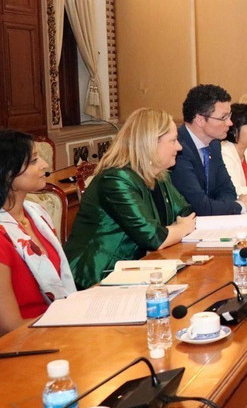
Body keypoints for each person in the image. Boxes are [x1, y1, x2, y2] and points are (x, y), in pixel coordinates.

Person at [65, 109, 197, 290]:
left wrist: (175, 229)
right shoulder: (115, 180)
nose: (180, 147)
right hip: (97, 277)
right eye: (173, 141)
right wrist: (180, 228)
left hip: (136, 270)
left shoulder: (159, 175)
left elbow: (186, 213)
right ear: (150, 144)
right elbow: (153, 238)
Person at [0, 131, 77, 334]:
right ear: (8, 173)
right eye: (34, 160)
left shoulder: (36, 215)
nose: (44, 164)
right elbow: (9, 327)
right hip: (27, 343)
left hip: (59, 325)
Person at [170, 84, 247, 216]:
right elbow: (199, 206)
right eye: (223, 117)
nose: (230, 123)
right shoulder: (178, 149)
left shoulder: (214, 144)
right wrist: (239, 206)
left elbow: (228, 190)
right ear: (200, 120)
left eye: (229, 116)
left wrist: (219, 206)